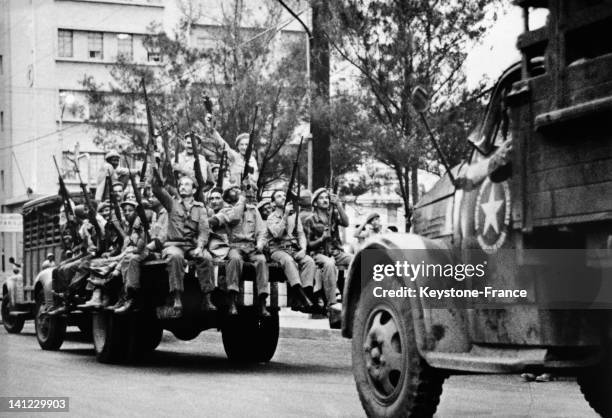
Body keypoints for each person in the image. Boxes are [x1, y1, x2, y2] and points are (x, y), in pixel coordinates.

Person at [151, 168, 215, 317]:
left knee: (206, 258)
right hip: (174, 245)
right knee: (175, 257)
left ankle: (207, 298)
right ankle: (177, 297)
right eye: (181, 185)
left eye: (187, 185)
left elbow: (204, 230)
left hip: (191, 245)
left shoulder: (200, 208)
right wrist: (157, 175)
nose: (183, 187)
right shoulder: (171, 204)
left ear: (194, 189)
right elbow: (157, 190)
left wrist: (200, 247)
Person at [221, 182, 269, 316]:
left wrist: (260, 244)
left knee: (261, 261)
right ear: (227, 196)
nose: (238, 191)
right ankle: (232, 301)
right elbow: (234, 218)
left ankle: (262, 303)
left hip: (251, 247)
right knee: (234, 260)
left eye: (238, 189)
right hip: (235, 246)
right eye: (233, 190)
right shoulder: (227, 209)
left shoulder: (253, 210)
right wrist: (242, 198)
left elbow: (261, 231)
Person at [266, 189, 315, 311]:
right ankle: (302, 297)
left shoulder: (295, 216)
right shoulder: (271, 218)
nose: (283, 197)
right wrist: (285, 215)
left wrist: (303, 249)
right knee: (288, 261)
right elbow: (277, 234)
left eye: (284, 195)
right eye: (279, 196)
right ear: (273, 203)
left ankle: (305, 294)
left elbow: (301, 234)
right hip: (277, 250)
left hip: (293, 248)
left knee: (309, 261)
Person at [303, 188, 352, 310]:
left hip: (336, 252)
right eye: (321, 198)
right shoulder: (310, 220)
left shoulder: (333, 215)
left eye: (326, 198)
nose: (325, 200)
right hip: (318, 253)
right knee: (329, 264)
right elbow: (308, 245)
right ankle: (332, 303)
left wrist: (339, 205)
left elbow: (346, 223)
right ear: (315, 203)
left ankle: (354, 297)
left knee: (357, 259)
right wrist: (322, 239)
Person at [111, 200, 149, 314]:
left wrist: (135, 249)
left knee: (130, 259)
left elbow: (141, 244)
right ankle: (122, 297)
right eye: (125, 211)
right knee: (125, 259)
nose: (127, 213)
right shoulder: (129, 225)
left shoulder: (139, 222)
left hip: (145, 251)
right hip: (132, 251)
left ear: (136, 212)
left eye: (130, 210)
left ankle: (129, 297)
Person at [204, 117, 258, 185]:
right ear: (238, 146)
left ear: (250, 147)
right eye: (241, 144)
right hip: (234, 192)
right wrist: (213, 130)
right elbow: (223, 143)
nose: (244, 147)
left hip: (248, 192)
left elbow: (255, 179)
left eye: (246, 145)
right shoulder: (234, 157)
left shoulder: (253, 160)